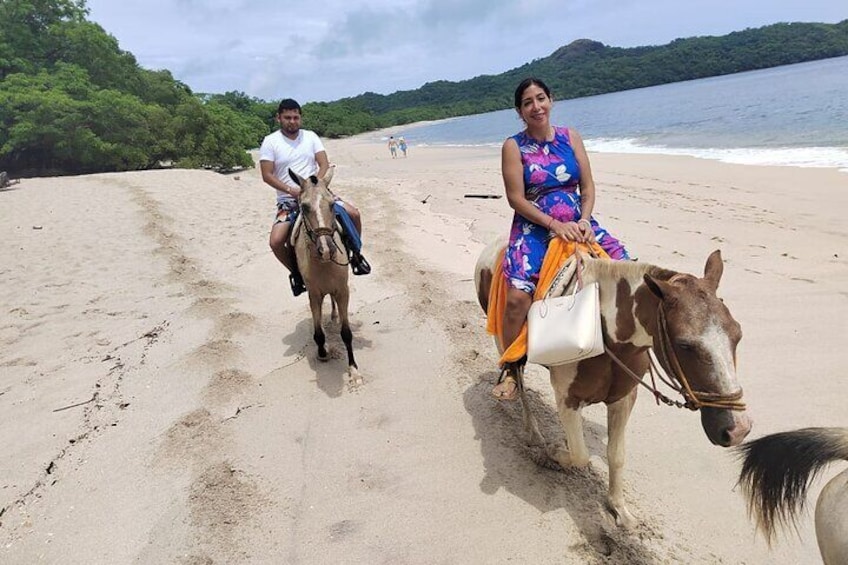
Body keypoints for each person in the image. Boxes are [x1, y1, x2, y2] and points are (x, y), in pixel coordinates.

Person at [492, 78, 630, 400]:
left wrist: (583, 219)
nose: (536, 107)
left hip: (578, 220)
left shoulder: (571, 137)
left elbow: (589, 187)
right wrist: (554, 224)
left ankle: (625, 347)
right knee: (517, 298)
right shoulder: (513, 147)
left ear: (551, 100)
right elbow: (516, 198)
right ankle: (512, 368)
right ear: (520, 111)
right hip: (534, 225)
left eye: (541, 98)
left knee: (626, 270)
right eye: (528, 102)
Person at [260, 99, 370, 297]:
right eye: (287, 118)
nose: (292, 121)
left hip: (318, 194)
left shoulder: (310, 137)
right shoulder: (270, 141)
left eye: (295, 117)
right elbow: (267, 174)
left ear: (300, 117)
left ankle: (356, 256)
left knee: (354, 214)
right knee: (276, 242)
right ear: (279, 118)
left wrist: (314, 188)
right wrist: (291, 189)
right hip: (289, 199)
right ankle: (297, 273)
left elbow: (324, 164)